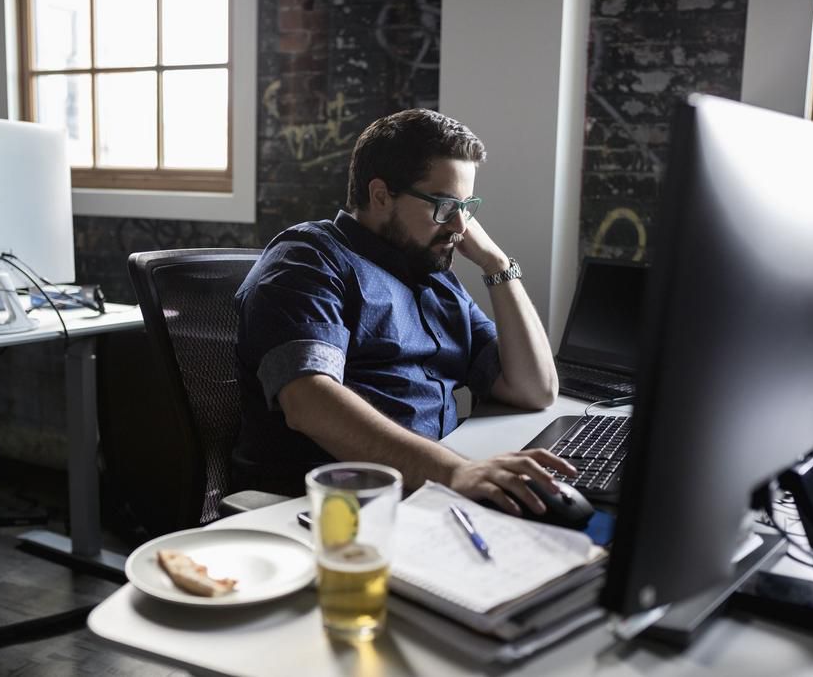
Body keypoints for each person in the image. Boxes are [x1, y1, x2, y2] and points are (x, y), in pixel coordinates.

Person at [231, 108, 575, 516]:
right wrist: (455, 473)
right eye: (445, 205)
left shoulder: (434, 275)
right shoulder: (309, 260)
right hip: (331, 507)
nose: (460, 226)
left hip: (431, 488)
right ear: (381, 195)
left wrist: (497, 265)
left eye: (467, 207)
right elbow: (310, 404)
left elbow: (535, 389)